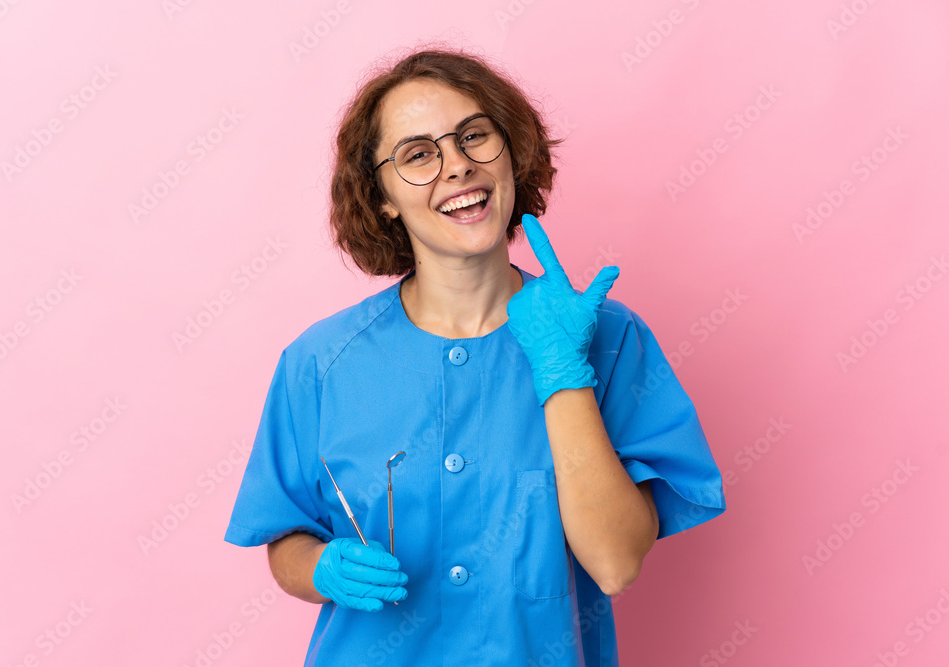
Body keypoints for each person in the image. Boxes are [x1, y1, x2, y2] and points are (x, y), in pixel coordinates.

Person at [224, 46, 726, 667]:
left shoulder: (609, 338)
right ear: (381, 197)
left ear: (511, 153)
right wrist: (322, 568)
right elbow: (285, 537)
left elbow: (616, 564)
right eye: (418, 155)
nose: (456, 166)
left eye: (474, 137)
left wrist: (563, 373)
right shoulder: (320, 364)